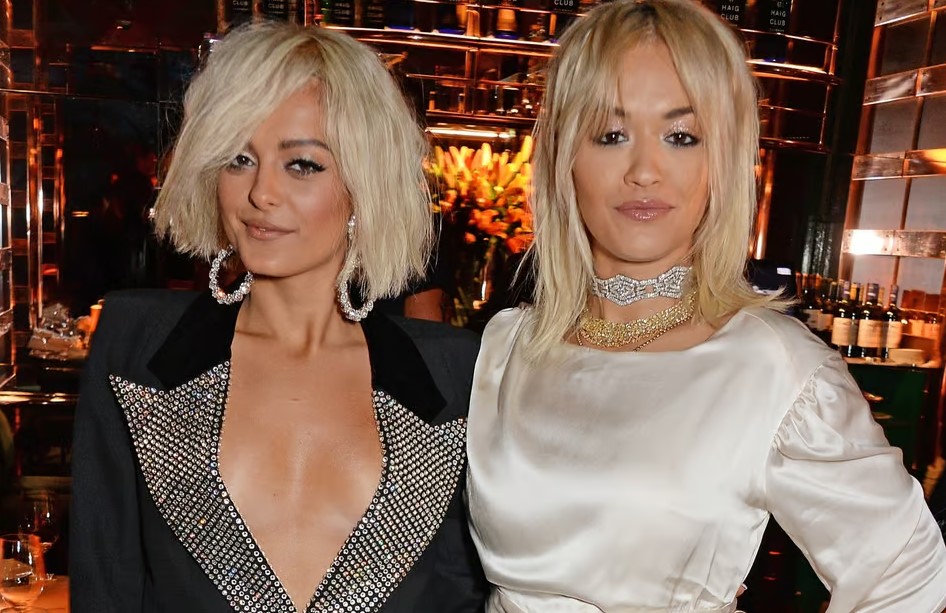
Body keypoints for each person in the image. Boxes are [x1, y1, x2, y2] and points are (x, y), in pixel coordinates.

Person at [465, 1, 946, 611]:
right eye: (611, 135)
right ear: (565, 157)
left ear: (722, 161)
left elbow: (906, 574)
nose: (644, 171)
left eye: (681, 137)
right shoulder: (508, 343)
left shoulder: (771, 366)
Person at [69, 22, 484, 612]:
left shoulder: (455, 373)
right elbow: (104, 586)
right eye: (239, 159)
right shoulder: (134, 345)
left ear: (363, 184)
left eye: (303, 165)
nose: (261, 192)